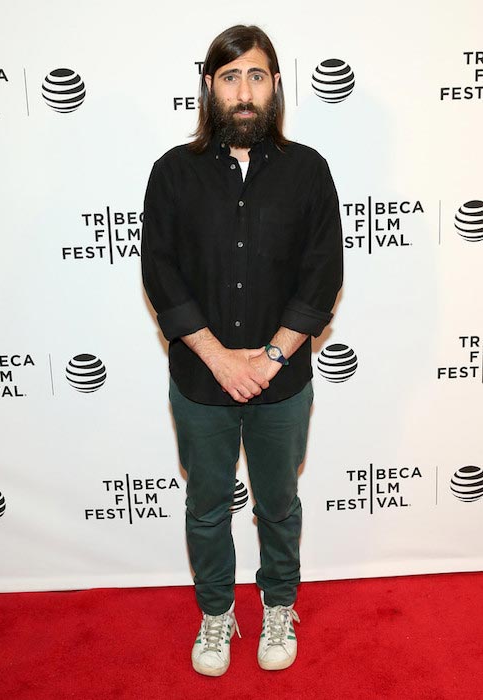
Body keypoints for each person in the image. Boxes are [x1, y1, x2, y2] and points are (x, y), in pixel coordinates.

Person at [141, 24, 343, 676]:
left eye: (257, 75)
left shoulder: (309, 171)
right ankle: (215, 613)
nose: (245, 91)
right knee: (206, 509)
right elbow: (160, 272)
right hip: (201, 382)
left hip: (282, 384)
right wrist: (221, 358)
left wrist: (271, 358)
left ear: (276, 85)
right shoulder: (173, 173)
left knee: (278, 504)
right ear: (210, 86)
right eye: (231, 77)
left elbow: (323, 274)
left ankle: (279, 603)